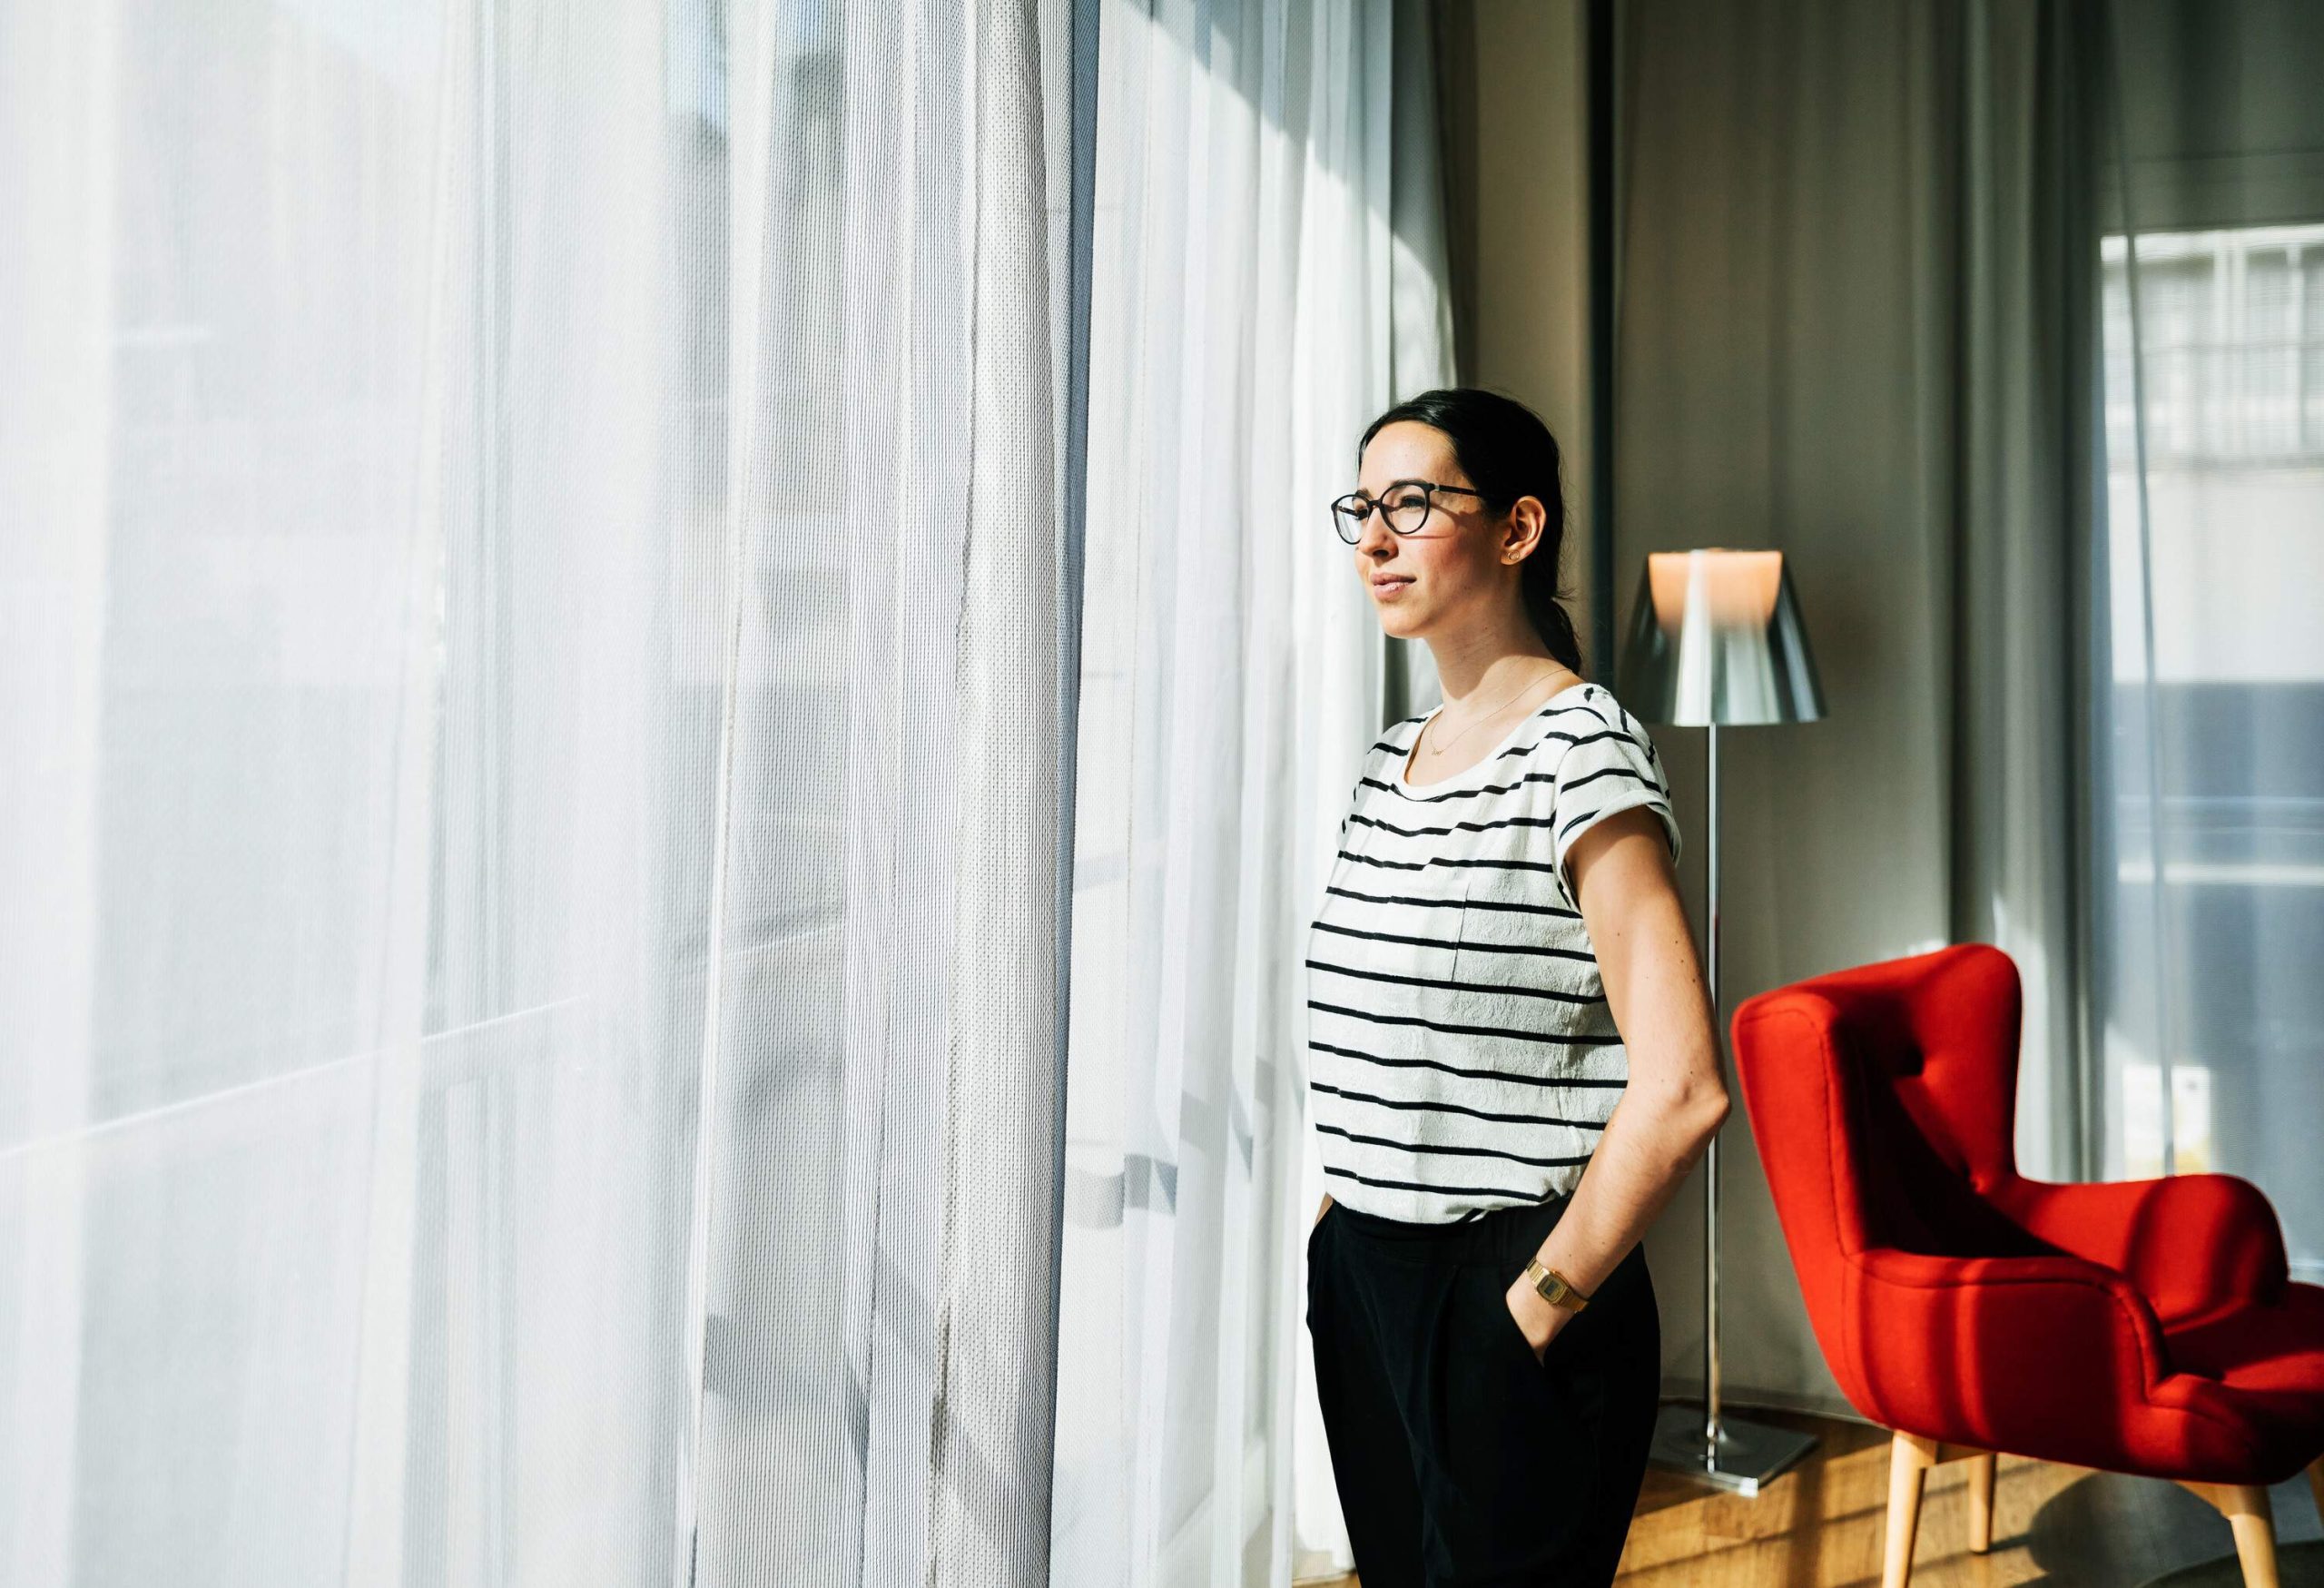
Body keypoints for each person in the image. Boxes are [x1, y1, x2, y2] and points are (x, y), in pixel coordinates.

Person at [1304, 388, 1728, 1584]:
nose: (1375, 539)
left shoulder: (1582, 748)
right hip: (1367, 1277)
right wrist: (1348, 1231)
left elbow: (1686, 1083)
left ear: (1517, 527)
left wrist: (1538, 1299)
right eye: (1363, 508)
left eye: (1414, 503)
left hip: (1508, 1285)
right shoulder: (1397, 754)